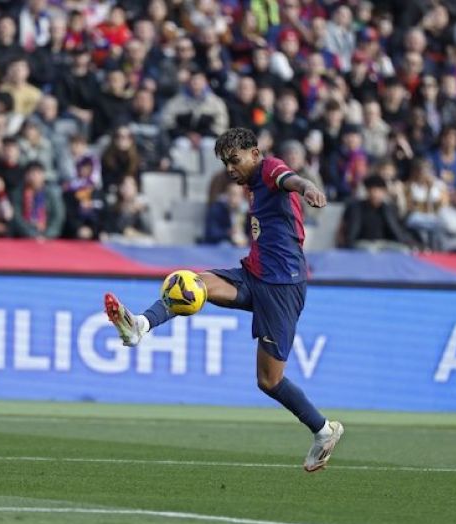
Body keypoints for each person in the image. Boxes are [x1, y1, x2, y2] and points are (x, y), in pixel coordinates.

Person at [103, 128, 344, 472]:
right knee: (191, 283)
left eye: (235, 160)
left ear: (255, 154)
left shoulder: (268, 169)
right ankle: (139, 325)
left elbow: (292, 179)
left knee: (269, 381)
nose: (230, 168)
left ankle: (324, 431)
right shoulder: (251, 185)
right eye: (225, 162)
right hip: (253, 274)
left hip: (282, 288)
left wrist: (308, 188)